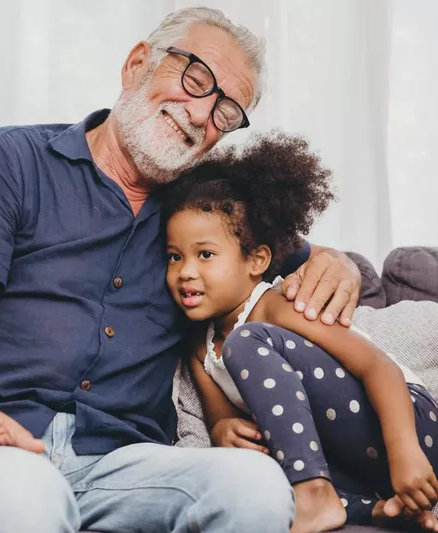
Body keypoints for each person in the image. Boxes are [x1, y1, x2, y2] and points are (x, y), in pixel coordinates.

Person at [0, 7, 363, 533]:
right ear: (137, 64)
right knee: (27, 497)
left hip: (121, 463)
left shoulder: (206, 218)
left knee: (257, 487)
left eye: (226, 112)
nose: (202, 114)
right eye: (195, 79)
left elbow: (302, 254)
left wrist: (336, 263)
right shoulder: (11, 160)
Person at [163, 132, 438, 533]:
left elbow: (378, 367)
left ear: (256, 260)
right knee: (266, 465)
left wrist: (405, 452)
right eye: (174, 256)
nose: (186, 270)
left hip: (411, 425)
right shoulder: (199, 348)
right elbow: (220, 422)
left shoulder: (275, 305)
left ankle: (313, 493)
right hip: (357, 467)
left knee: (246, 341)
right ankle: (371, 509)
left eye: (205, 254)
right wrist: (225, 432)